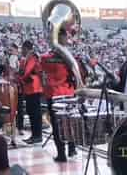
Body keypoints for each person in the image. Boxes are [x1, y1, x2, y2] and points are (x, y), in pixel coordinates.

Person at [41, 28, 80, 162]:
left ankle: (61, 154)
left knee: (57, 125)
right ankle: (72, 148)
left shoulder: (45, 57)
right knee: (70, 122)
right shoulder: (70, 57)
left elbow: (44, 76)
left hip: (54, 95)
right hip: (69, 93)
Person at [19, 40, 44, 144]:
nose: (21, 51)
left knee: (35, 113)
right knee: (31, 112)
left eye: (22, 49)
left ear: (26, 48)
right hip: (30, 88)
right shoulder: (28, 58)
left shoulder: (32, 57)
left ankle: (37, 136)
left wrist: (19, 76)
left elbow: (26, 72)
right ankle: (35, 135)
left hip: (34, 88)